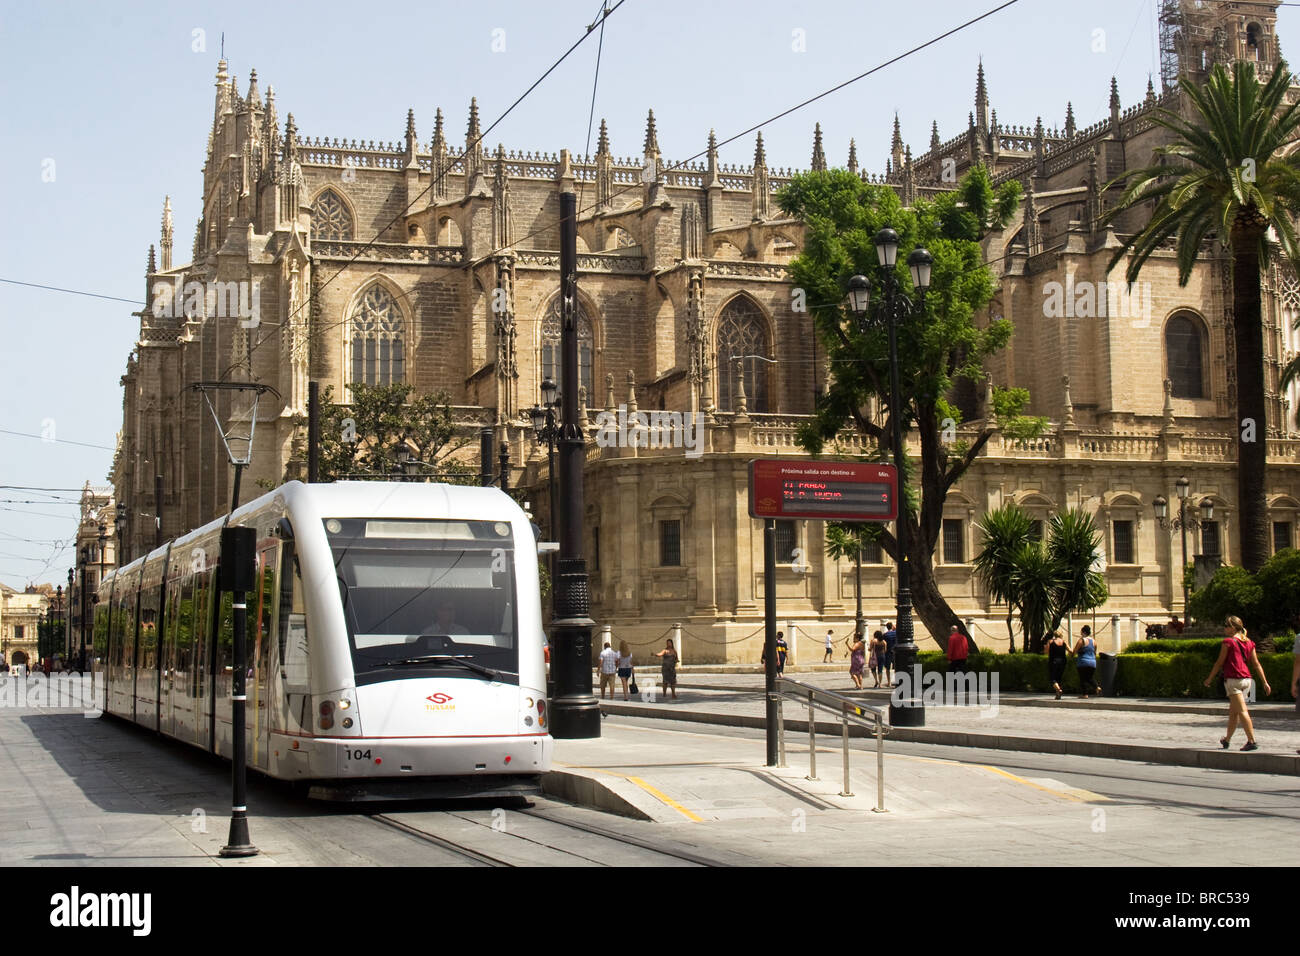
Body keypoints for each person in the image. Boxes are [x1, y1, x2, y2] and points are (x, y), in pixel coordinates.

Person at [1204, 616, 1271, 751]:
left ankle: (1251, 740)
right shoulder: (1249, 642)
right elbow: (1256, 664)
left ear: (1233, 627)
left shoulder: (1228, 642)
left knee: (1242, 711)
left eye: (1226, 625)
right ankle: (1227, 739)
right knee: (1233, 712)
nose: (1224, 628)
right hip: (1247, 680)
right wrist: (1264, 682)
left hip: (1233, 680)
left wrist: (1209, 679)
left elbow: (1219, 663)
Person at [1073, 625, 1099, 697]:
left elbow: (1075, 650)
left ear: (1083, 632)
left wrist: (1072, 655)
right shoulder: (1094, 641)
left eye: (1081, 632)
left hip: (1083, 662)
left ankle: (1085, 694)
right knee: (1090, 677)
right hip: (1093, 662)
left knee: (1083, 678)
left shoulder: (1082, 640)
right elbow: (1094, 652)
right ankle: (1097, 687)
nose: (1081, 634)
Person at [1046, 629, 1070, 700]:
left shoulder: (1050, 642)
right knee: (1059, 678)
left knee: (1052, 678)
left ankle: (1058, 690)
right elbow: (1070, 650)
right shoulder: (1064, 642)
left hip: (1053, 662)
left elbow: (1046, 651)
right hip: (1063, 662)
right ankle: (1057, 695)